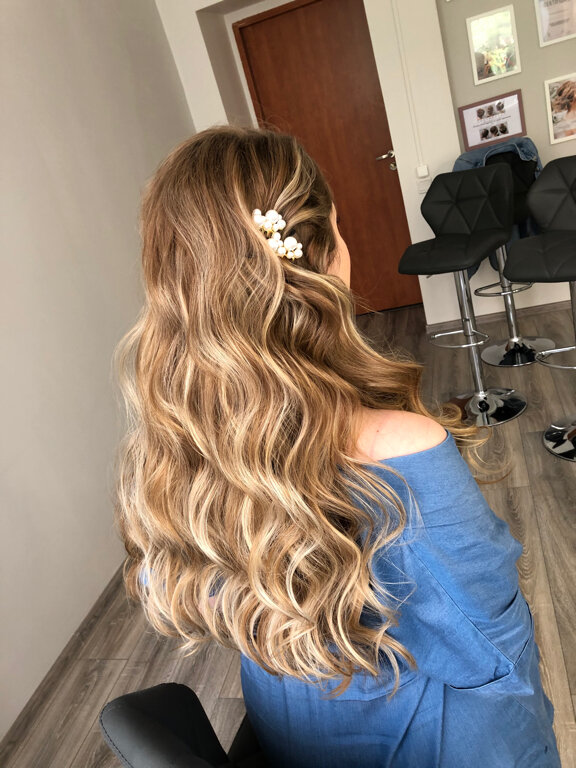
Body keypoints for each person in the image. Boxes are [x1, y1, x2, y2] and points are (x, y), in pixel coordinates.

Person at [115, 126, 560, 767]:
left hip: (291, 730)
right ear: (324, 258)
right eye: (340, 227)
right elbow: (493, 657)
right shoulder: (397, 450)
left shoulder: (168, 452)